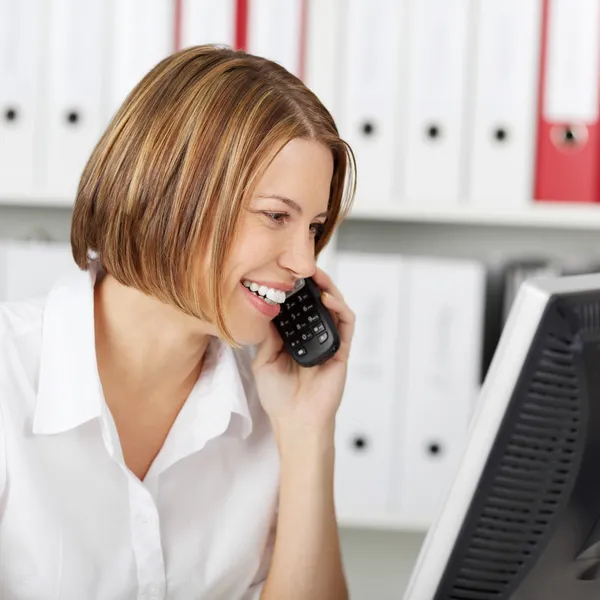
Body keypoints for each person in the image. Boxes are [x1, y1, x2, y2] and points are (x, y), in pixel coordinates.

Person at [0, 44, 356, 599]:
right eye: (276, 216)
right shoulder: (9, 376)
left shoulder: (272, 410)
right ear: (172, 193)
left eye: (312, 226)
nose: (305, 263)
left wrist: (309, 435)